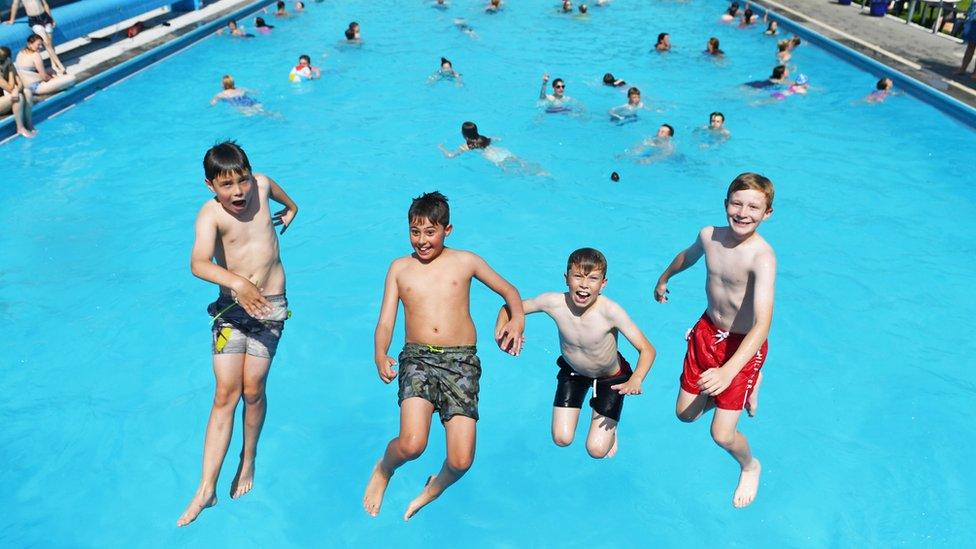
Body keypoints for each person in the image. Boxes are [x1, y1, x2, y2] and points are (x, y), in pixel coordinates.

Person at [362, 191, 526, 521]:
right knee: (411, 444)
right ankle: (384, 469)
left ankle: (435, 487)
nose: (422, 240)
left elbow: (510, 292)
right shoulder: (399, 268)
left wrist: (517, 322)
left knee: (462, 461)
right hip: (417, 358)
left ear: (447, 230)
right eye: (415, 231)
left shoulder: (466, 261)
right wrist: (380, 353)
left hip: (461, 362)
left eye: (430, 232)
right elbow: (385, 321)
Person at [176, 141, 299, 527]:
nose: (239, 192)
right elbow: (198, 262)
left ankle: (248, 458)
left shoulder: (262, 186)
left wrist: (292, 211)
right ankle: (206, 488)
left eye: (242, 180)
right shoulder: (210, 215)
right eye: (226, 185)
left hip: (269, 308)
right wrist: (236, 284)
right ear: (210, 185)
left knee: (253, 390)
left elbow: (286, 199)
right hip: (231, 311)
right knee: (225, 393)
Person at [653, 172, 776, 509]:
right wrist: (664, 278)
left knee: (721, 434)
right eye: (737, 203)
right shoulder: (710, 236)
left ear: (767, 214)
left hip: (743, 347)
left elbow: (762, 325)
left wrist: (728, 372)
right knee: (685, 415)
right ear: (725, 204)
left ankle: (750, 465)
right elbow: (688, 256)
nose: (743, 212)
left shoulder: (762, 257)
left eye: (754, 207)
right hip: (708, 333)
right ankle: (743, 385)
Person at [495, 248, 656, 458]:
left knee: (597, 450)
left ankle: (611, 430)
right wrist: (505, 330)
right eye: (578, 276)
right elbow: (509, 308)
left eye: (593, 279)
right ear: (566, 278)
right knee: (562, 439)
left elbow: (647, 349)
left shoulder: (611, 312)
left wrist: (636, 379)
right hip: (574, 372)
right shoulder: (553, 303)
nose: (584, 285)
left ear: (603, 284)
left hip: (610, 378)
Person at [439, 122, 549, 176]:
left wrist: (441, 147)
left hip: (494, 158)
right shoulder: (484, 138)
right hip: (503, 152)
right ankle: (543, 173)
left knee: (516, 172)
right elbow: (498, 139)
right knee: (523, 163)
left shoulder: (466, 146)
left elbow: (450, 156)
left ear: (464, 135)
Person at [4, 0, 66, 76]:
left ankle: (54, 65)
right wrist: (11, 20)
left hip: (45, 17)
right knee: (46, 42)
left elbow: (45, 4)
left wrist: (51, 18)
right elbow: (15, 5)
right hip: (34, 20)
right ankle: (60, 65)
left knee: (50, 43)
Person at [0, 46, 37, 138]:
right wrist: (10, 71)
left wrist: (16, 89)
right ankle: (20, 128)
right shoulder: (7, 67)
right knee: (18, 97)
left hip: (2, 102)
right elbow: (10, 87)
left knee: (27, 92)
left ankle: (29, 124)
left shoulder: (8, 65)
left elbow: (20, 83)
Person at [955, 2, 976, 77]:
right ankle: (963, 68)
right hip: (972, 18)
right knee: (970, 46)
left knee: (971, 46)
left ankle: (975, 72)